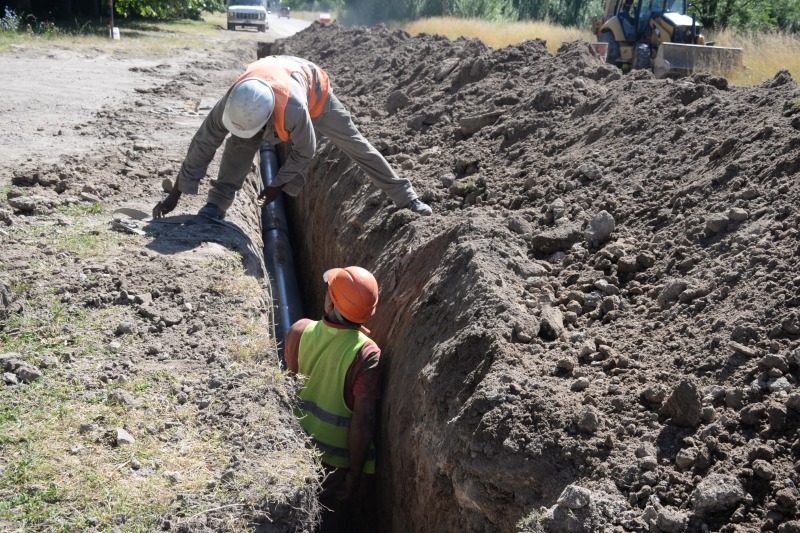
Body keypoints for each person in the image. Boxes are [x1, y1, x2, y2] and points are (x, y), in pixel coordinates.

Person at [153, 55, 432, 221]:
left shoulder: (295, 111)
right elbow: (202, 143)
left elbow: (304, 151)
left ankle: (407, 197)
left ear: (268, 119)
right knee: (239, 142)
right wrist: (176, 191)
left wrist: (277, 184)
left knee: (356, 145)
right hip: (270, 74)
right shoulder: (234, 101)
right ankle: (215, 206)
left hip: (312, 91)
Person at [284, 266, 381, 532]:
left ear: (332, 301)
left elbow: (289, 389)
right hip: (334, 469)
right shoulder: (365, 354)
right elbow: (364, 421)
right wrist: (355, 475)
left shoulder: (298, 331)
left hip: (293, 452)